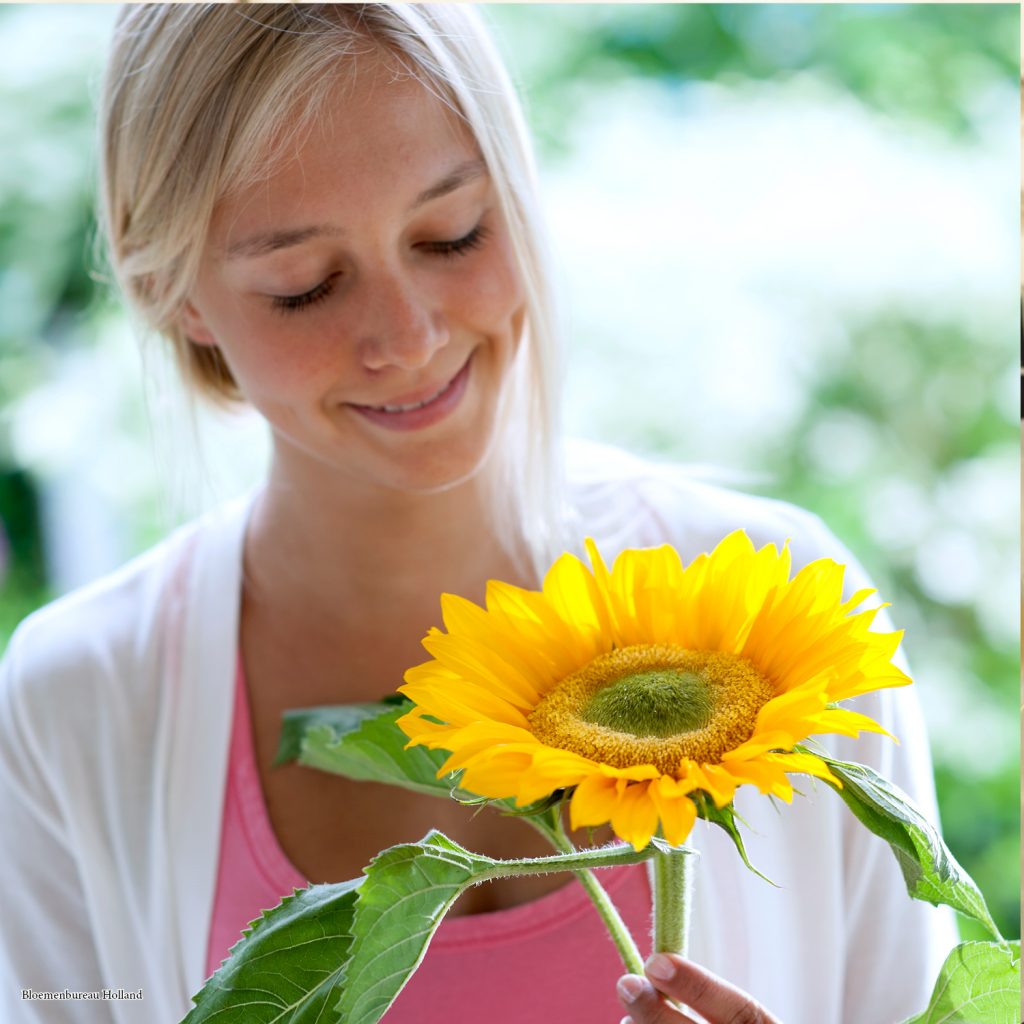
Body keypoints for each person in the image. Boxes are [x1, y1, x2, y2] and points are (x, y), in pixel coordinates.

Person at [0, 5, 957, 1024]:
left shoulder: (784, 623)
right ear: (173, 294)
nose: (407, 337)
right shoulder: (76, 706)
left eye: (451, 234)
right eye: (305, 285)